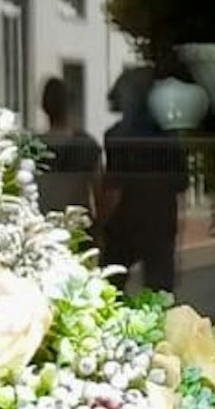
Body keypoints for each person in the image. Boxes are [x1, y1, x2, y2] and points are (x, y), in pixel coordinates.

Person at [98, 66, 187, 293]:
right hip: (161, 224)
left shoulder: (116, 136)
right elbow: (181, 182)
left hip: (125, 224)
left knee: (110, 289)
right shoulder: (170, 137)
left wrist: (99, 225)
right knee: (160, 294)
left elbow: (113, 190)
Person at [33, 76, 102, 219]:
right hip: (78, 227)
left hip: (42, 227)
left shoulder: (34, 149)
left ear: (44, 106)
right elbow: (99, 192)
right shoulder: (86, 146)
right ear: (69, 104)